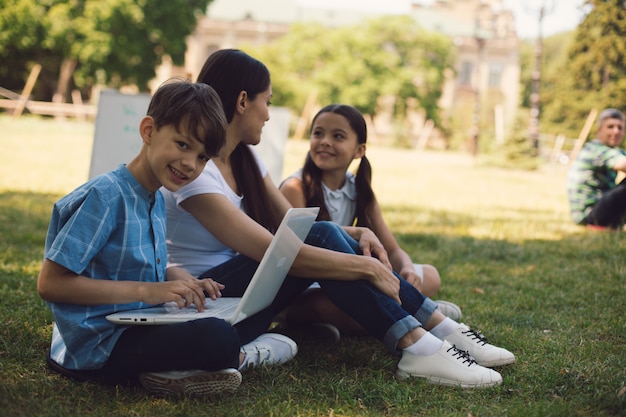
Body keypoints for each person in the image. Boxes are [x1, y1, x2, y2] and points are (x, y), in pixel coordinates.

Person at [164, 49, 515, 389]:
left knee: (325, 232)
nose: (268, 114)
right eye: (266, 102)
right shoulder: (195, 171)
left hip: (242, 297)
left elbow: (291, 224)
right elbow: (281, 250)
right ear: (243, 101)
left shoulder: (246, 160)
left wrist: (357, 231)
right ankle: (422, 342)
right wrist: (367, 267)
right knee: (322, 234)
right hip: (204, 304)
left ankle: (436, 331)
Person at [37, 80, 297, 398]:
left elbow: (132, 265)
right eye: (183, 145)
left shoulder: (156, 197)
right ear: (148, 131)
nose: (191, 164)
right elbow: (51, 284)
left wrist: (178, 278)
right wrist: (152, 290)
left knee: (248, 301)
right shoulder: (103, 197)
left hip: (144, 323)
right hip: (100, 346)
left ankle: (178, 369)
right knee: (217, 337)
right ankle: (243, 356)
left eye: (203, 158)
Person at [279, 104, 461, 336]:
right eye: (318, 133)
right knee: (342, 308)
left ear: (359, 150)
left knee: (430, 276)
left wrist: (406, 270)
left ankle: (407, 308)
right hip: (308, 286)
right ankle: (416, 311)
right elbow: (295, 249)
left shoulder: (359, 190)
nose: (324, 141)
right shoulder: (295, 187)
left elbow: (392, 250)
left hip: (349, 278)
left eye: (338, 136)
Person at [567, 108, 626, 230]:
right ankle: (598, 227)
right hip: (590, 214)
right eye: (610, 127)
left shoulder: (616, 152)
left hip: (603, 210)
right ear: (599, 131)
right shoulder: (595, 149)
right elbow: (623, 164)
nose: (616, 131)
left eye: (620, 128)